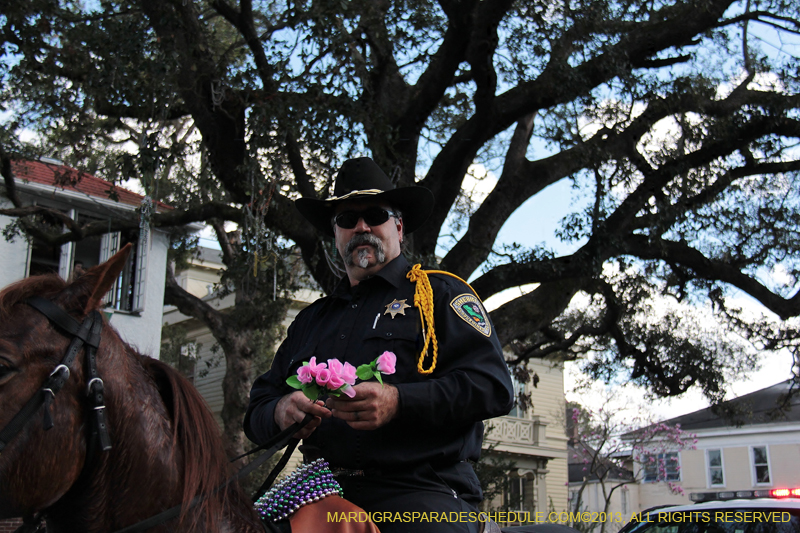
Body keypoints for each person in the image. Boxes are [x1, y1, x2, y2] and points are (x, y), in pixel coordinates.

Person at [244, 157, 514, 532]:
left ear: (399, 227)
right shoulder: (311, 321)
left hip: (417, 491)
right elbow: (258, 406)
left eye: (374, 214)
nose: (361, 226)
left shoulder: (442, 295)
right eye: (346, 219)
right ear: (335, 234)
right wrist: (280, 412)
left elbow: (494, 388)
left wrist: (399, 402)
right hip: (317, 491)